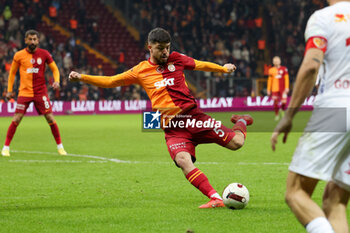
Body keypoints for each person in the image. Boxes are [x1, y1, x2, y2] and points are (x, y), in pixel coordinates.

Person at [69, 27, 253, 208]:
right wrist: (82, 77)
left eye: (167, 47)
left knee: (237, 143)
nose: (165, 52)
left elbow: (200, 64)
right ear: (150, 47)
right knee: (183, 161)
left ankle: (242, 120)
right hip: (173, 129)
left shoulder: (177, 59)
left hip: (194, 117)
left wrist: (222, 69)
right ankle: (215, 198)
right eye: (160, 48)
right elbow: (111, 81)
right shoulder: (141, 70)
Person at [271, 1, 350, 232]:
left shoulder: (324, 18)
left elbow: (309, 67)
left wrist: (289, 115)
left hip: (336, 107)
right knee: (335, 201)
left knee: (296, 192)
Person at [1, 30, 67, 156]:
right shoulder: (19, 55)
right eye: (30, 39)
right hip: (24, 92)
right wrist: (9, 90)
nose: (32, 41)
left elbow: (55, 69)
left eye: (34, 39)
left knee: (50, 118)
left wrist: (57, 81)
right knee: (17, 118)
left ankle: (60, 147)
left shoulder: (44, 54)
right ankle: (5, 148)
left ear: (38, 41)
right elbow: (12, 74)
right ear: (25, 40)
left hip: (40, 92)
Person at [267, 56, 289, 121]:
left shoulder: (284, 69)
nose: (276, 62)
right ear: (273, 62)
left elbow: (286, 79)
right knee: (275, 103)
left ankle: (282, 110)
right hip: (274, 89)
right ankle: (276, 115)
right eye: (275, 61)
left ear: (280, 61)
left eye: (277, 60)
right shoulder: (271, 70)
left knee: (284, 102)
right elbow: (269, 80)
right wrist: (268, 89)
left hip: (283, 89)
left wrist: (287, 87)